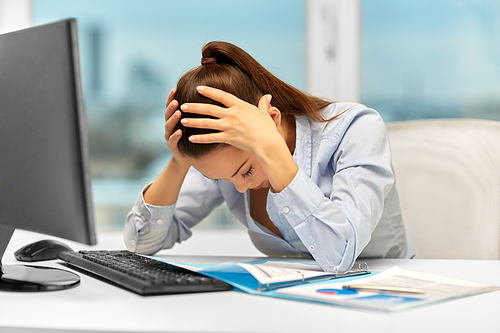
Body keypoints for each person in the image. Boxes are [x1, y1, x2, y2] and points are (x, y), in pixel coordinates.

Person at [124, 41, 414, 272]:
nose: (237, 188)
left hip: (385, 290)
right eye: (220, 178)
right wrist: (180, 160)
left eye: (246, 171)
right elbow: (141, 242)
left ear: (272, 119)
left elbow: (339, 254)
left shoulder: (357, 129)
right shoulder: (227, 161)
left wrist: (270, 147)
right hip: (290, 303)